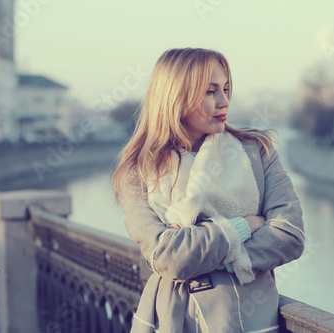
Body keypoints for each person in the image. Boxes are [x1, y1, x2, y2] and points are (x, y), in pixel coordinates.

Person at [112, 48, 304, 333]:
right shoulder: (138, 170)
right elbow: (168, 257)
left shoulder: (256, 152)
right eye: (210, 91)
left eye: (226, 89)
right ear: (176, 96)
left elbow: (289, 235)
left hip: (247, 318)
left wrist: (195, 248)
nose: (224, 101)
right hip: (172, 320)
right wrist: (244, 226)